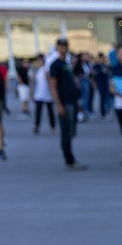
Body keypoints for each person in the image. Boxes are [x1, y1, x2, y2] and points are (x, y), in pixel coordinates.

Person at [46, 38, 83, 168]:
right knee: (66, 132)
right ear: (57, 47)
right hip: (64, 103)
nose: (63, 48)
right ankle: (69, 160)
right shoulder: (55, 65)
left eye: (65, 46)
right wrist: (59, 104)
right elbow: (53, 85)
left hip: (72, 101)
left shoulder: (66, 64)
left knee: (72, 131)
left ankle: (70, 157)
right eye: (60, 46)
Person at [32, 55, 54, 133]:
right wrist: (32, 94)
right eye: (38, 61)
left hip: (48, 94)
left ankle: (53, 126)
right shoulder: (36, 71)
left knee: (50, 111)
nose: (38, 62)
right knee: (38, 111)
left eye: (40, 61)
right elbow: (34, 83)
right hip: (38, 94)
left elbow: (51, 81)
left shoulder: (47, 70)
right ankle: (37, 126)